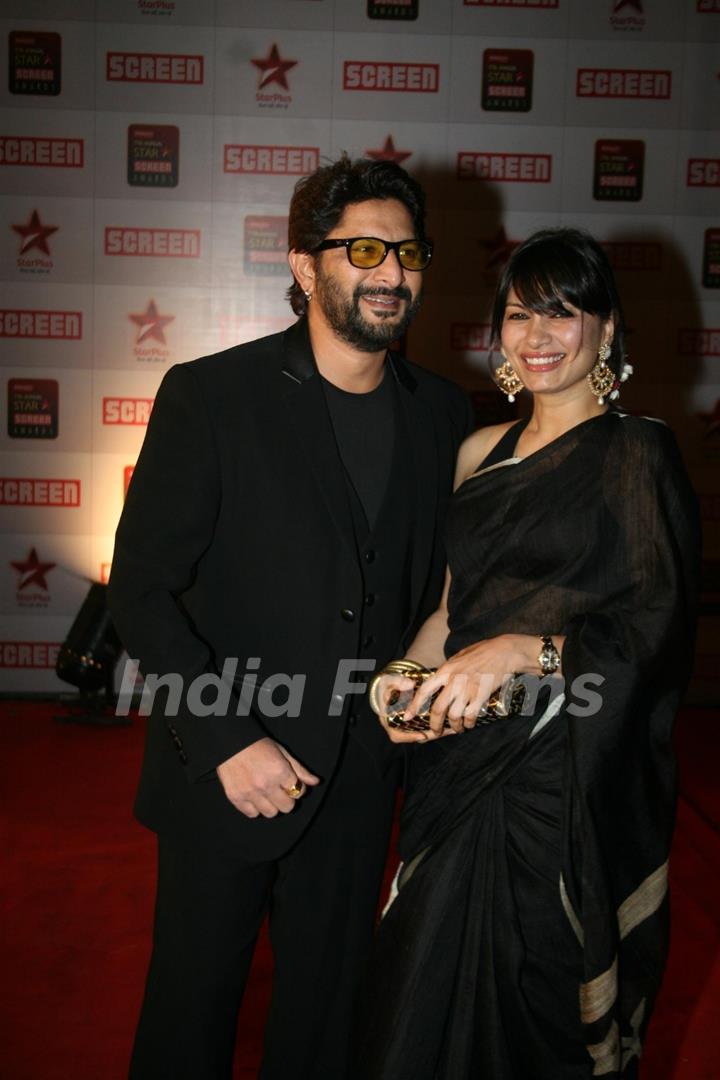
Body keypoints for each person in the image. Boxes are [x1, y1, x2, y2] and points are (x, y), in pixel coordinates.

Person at [108, 155, 473, 1080]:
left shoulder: (443, 417)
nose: (392, 272)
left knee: (325, 1027)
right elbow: (140, 591)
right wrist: (228, 739)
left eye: (408, 251)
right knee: (188, 1018)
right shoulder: (212, 396)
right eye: (363, 249)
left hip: (358, 782)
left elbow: (441, 589)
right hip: (224, 770)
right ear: (307, 267)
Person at [359, 228, 701, 1079]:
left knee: (539, 1010)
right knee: (415, 991)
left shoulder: (638, 453)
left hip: (562, 787)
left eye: (563, 313)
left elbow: (656, 626)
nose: (537, 335)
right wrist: (401, 676)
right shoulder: (480, 453)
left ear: (608, 329)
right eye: (519, 314)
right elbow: (449, 608)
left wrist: (524, 651)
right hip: (458, 766)